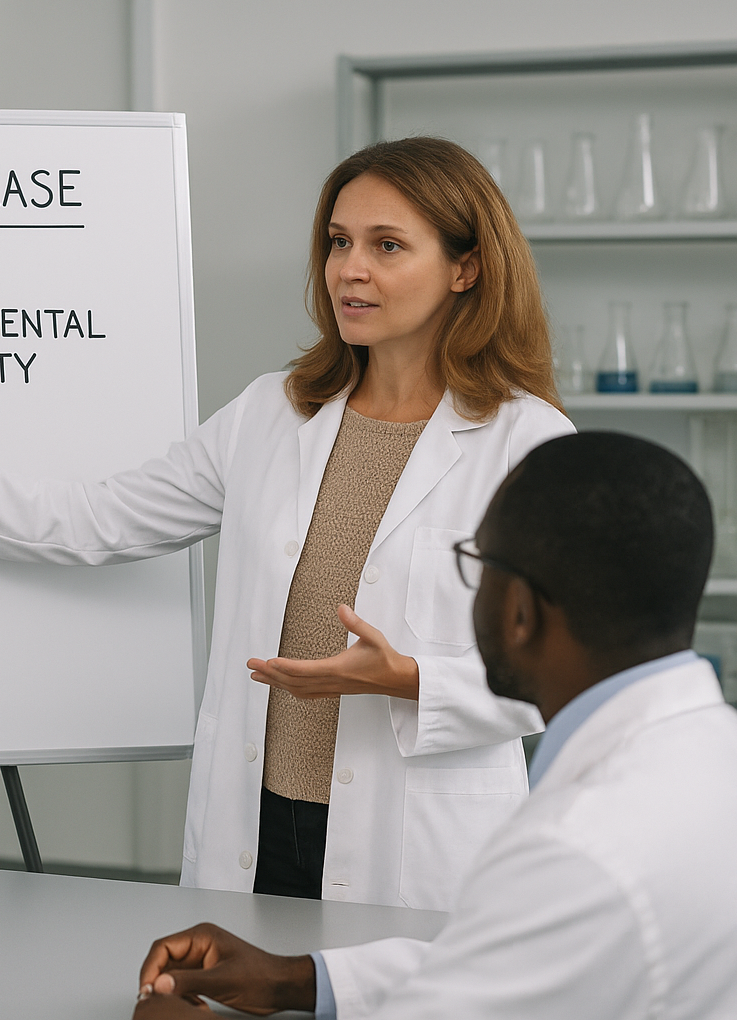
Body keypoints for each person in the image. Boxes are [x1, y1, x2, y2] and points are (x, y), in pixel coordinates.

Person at [0, 136, 573, 909]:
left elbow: (561, 674)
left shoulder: (526, 441)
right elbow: (95, 520)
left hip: (415, 842)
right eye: (338, 242)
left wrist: (409, 680)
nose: (349, 270)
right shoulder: (273, 411)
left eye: (388, 245)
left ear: (465, 267)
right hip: (258, 823)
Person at [131, 431, 737, 1019]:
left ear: (520, 610)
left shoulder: (577, 848)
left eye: (472, 564)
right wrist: (303, 979)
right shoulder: (708, 760)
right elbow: (508, 970)